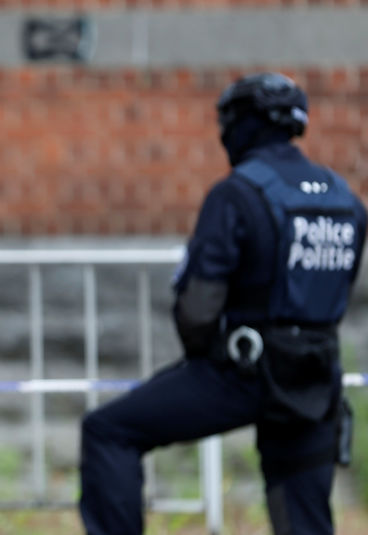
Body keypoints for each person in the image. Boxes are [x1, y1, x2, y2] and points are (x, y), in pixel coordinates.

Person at [80, 72, 367, 535]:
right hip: (313, 378)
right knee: (303, 514)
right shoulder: (344, 199)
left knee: (109, 432)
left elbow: (198, 305)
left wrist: (204, 359)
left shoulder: (237, 193)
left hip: (240, 372)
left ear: (244, 124)